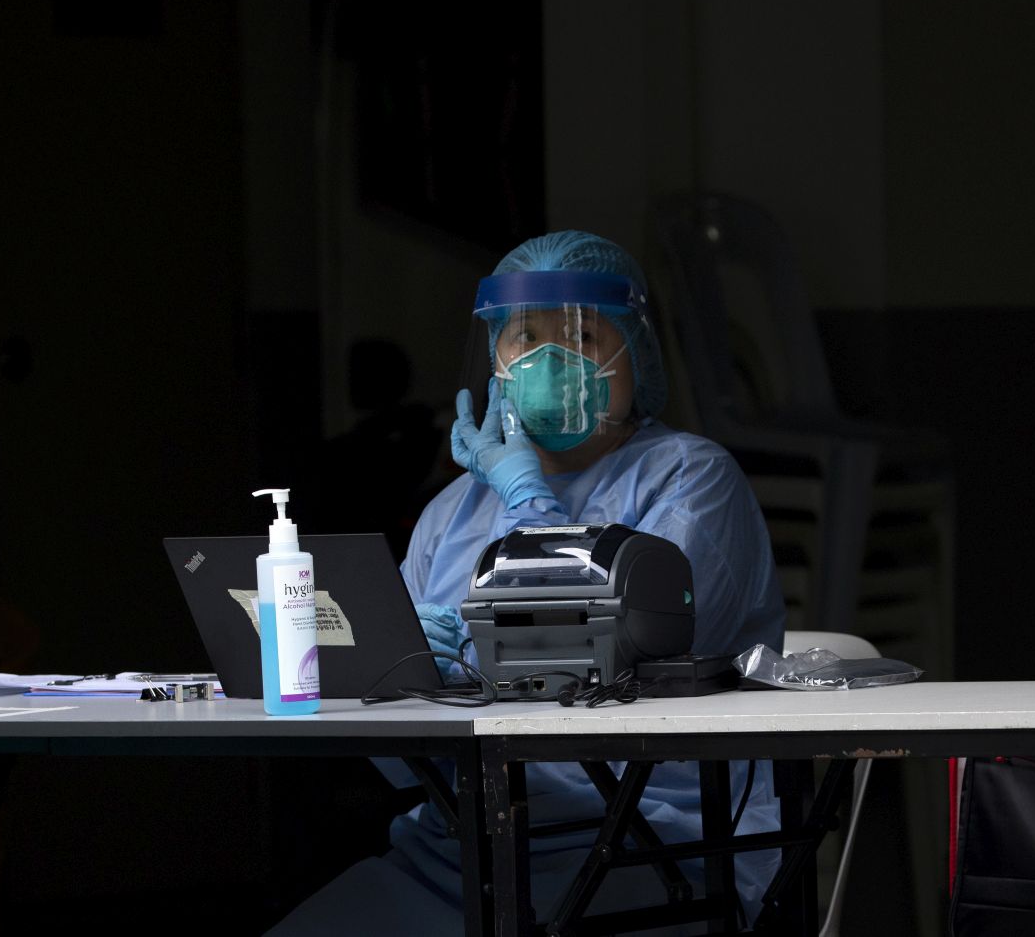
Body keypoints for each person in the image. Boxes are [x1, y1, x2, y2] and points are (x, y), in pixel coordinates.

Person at [267, 230, 786, 936]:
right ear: (494, 359)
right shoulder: (452, 512)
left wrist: (527, 501)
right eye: (524, 338)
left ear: (636, 351)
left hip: (648, 846)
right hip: (457, 849)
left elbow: (598, 661)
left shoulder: (691, 480)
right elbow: (398, 759)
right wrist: (392, 673)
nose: (548, 362)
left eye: (580, 337)